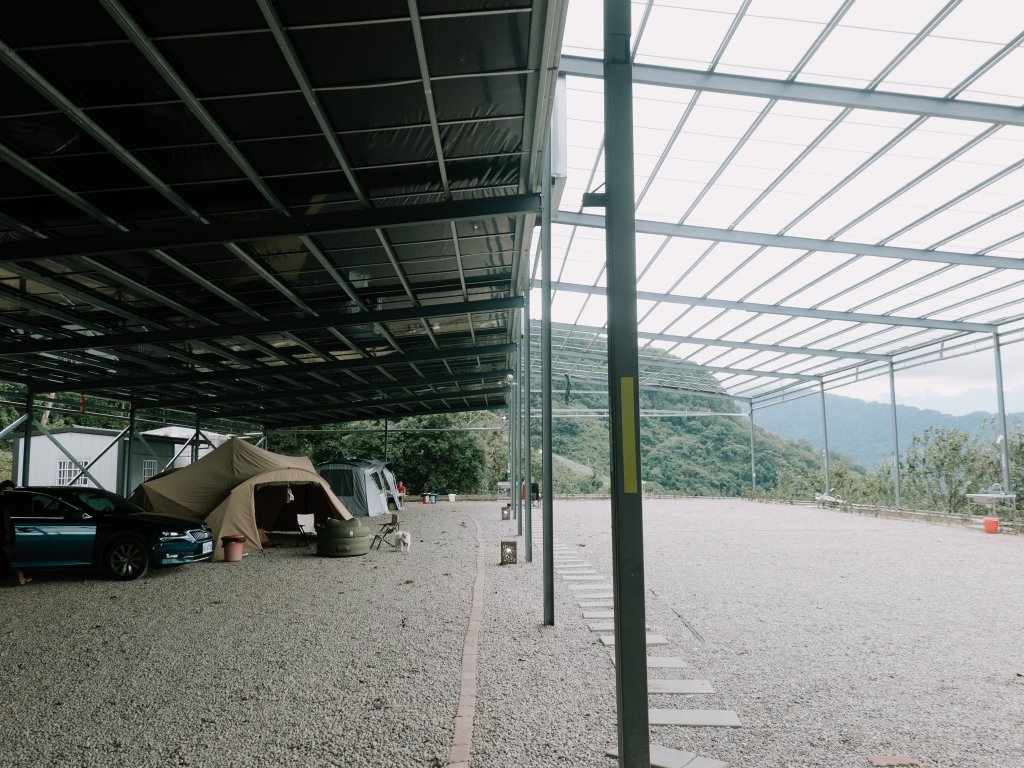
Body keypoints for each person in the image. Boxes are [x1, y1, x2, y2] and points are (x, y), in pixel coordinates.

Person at [0, 479, 30, 586]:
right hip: (3, 531)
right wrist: (8, 532)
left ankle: (21, 577)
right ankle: (21, 578)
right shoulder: (5, 500)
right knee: (11, 554)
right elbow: (6, 517)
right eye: (11, 490)